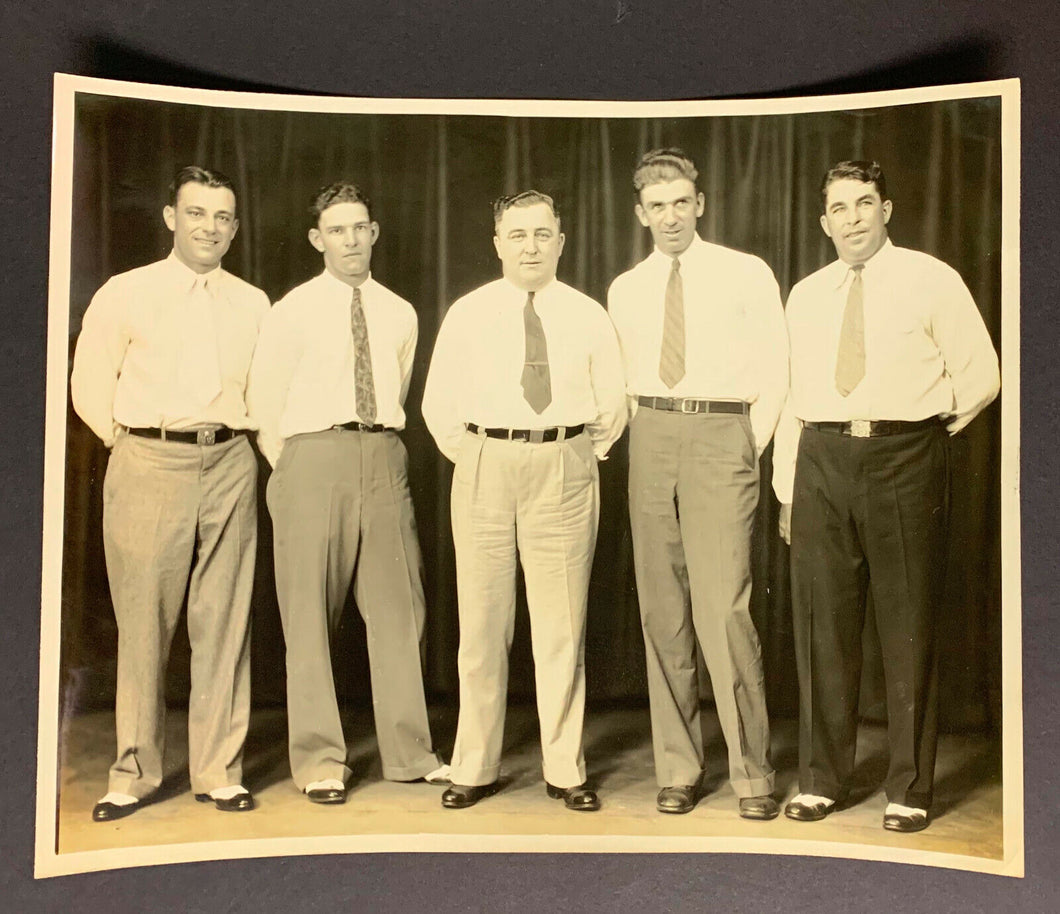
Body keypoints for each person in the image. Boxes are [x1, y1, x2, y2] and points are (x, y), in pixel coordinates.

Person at [772, 160, 1000, 833]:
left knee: (907, 629)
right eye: (839, 208)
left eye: (864, 204)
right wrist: (789, 489)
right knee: (823, 633)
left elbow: (981, 374)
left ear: (887, 208)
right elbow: (791, 396)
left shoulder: (932, 279)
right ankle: (821, 780)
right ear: (824, 222)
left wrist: (919, 429)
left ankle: (909, 786)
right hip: (819, 460)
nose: (853, 219)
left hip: (905, 459)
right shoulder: (807, 293)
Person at [71, 166, 268, 821]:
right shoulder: (126, 293)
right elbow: (89, 378)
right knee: (145, 627)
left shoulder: (253, 302)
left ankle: (219, 771)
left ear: (234, 228)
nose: (209, 228)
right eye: (196, 214)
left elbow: (264, 393)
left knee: (224, 624)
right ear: (169, 218)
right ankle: (133, 773)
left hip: (232, 461)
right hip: (149, 459)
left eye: (221, 218)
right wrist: (127, 443)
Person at [421, 190, 627, 811]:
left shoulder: (588, 314)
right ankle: (475, 765)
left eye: (542, 234)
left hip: (563, 464)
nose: (531, 246)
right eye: (518, 235)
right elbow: (438, 406)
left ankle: (565, 768)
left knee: (560, 625)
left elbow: (613, 406)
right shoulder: (468, 312)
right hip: (484, 462)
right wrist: (485, 455)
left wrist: (566, 453)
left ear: (561, 242)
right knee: (481, 625)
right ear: (498, 243)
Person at [246, 183, 448, 805]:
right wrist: (299, 470)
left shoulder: (400, 311)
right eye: (338, 230)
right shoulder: (291, 309)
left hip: (382, 453)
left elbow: (400, 386)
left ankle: (412, 754)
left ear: (375, 232)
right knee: (307, 615)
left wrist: (368, 448)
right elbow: (265, 404)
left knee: (399, 608)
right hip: (311, 457)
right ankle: (319, 761)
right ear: (318, 239)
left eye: (360, 227)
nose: (351, 240)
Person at [607, 148, 788, 820]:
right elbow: (619, 378)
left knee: (724, 609)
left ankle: (752, 776)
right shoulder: (626, 286)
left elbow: (777, 364)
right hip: (651, 433)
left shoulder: (745, 273)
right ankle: (679, 769)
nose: (671, 216)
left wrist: (748, 441)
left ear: (700, 204)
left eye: (681, 202)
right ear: (641, 214)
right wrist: (645, 435)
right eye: (657, 206)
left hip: (722, 434)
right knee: (663, 611)